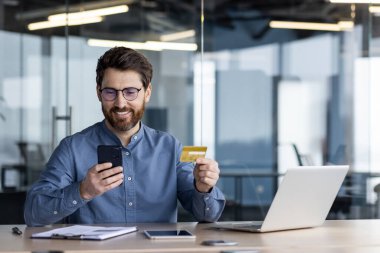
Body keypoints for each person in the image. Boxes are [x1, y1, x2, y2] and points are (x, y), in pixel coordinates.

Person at [24, 47, 226, 226]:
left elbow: (208, 216)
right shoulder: (72, 148)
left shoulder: (171, 147)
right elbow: (34, 214)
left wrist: (204, 188)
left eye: (130, 92)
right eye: (110, 92)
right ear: (98, 92)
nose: (120, 103)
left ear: (147, 92)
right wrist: (82, 191)